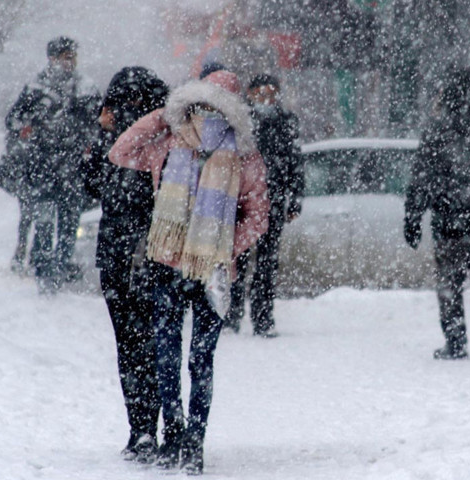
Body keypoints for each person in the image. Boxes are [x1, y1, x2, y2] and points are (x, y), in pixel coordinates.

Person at [109, 70, 269, 475]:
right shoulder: (181, 143)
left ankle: (183, 437)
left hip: (194, 270)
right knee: (189, 358)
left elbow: (259, 216)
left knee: (181, 356)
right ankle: (186, 438)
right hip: (187, 269)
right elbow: (121, 150)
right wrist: (165, 115)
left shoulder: (226, 151)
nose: (204, 111)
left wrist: (219, 248)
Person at [81, 66, 169, 463]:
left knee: (148, 344)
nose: (129, 108)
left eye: (136, 101)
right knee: (132, 346)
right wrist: (101, 133)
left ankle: (156, 425)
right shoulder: (113, 141)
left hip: (152, 254)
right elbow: (88, 185)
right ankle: (142, 428)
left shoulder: (163, 139)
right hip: (120, 255)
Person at [404, 68, 470, 360]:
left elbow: (421, 179)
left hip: (449, 224)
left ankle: (455, 339)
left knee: (449, 287)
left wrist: (413, 217)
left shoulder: (437, 131)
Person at [4, 36, 100, 292]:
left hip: (72, 170)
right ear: (53, 59)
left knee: (69, 226)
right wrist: (25, 128)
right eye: (66, 57)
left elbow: (98, 124)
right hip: (42, 169)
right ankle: (45, 273)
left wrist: (90, 141)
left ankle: (58, 270)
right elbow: (13, 120)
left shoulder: (86, 87)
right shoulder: (36, 88)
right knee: (45, 224)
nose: (71, 62)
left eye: (73, 57)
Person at [224, 74, 303, 337]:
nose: (268, 99)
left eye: (272, 93)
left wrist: (295, 199)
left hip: (273, 200)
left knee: (267, 263)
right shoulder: (240, 121)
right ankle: (232, 314)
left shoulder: (286, 122)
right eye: (262, 93)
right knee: (238, 259)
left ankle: (263, 317)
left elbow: (295, 162)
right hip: (242, 202)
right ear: (251, 93)